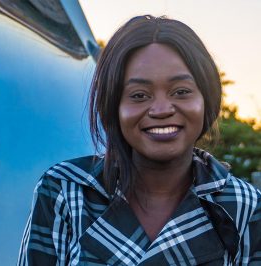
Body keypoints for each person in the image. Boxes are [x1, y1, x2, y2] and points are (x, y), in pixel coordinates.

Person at [17, 15, 261, 265]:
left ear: (207, 98)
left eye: (181, 91)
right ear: (113, 105)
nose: (162, 109)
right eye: (139, 95)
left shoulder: (244, 206)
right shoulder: (65, 190)